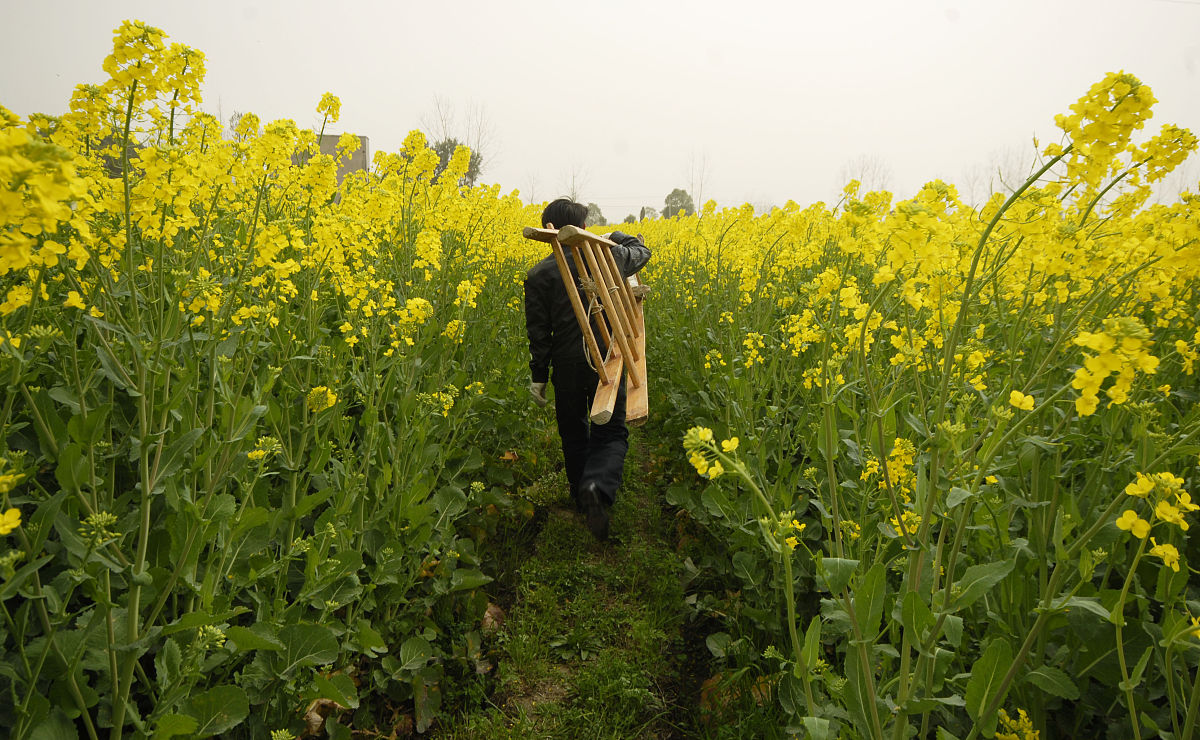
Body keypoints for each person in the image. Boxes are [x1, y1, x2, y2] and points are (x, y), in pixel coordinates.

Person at [523, 197, 651, 540]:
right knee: (610, 430)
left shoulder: (538, 275)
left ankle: (580, 496)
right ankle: (597, 487)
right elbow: (642, 251)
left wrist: (539, 377)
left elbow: (539, 333)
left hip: (565, 365)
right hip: (604, 358)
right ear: (581, 228)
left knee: (573, 429)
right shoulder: (606, 257)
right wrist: (616, 235)